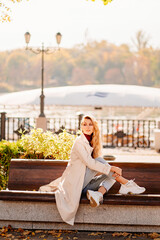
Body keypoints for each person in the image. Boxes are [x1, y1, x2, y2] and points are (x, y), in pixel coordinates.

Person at [39, 114, 145, 226]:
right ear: (81, 127)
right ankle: (127, 184)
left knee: (111, 175)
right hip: (75, 185)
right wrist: (111, 167)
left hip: (84, 186)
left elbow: (97, 167)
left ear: (94, 127)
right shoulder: (79, 142)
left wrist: (109, 169)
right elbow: (90, 163)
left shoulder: (92, 143)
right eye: (84, 124)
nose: (87, 127)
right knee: (100, 161)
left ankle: (98, 195)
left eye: (90, 124)